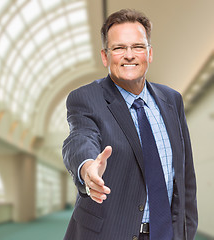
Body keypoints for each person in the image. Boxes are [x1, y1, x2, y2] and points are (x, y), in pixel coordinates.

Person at [62, 9, 198, 240]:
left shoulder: (172, 100)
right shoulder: (86, 98)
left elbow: (185, 174)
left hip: (166, 234)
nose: (129, 55)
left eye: (137, 47)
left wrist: (185, 230)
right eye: (119, 48)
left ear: (149, 53)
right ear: (105, 56)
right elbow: (79, 138)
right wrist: (87, 168)